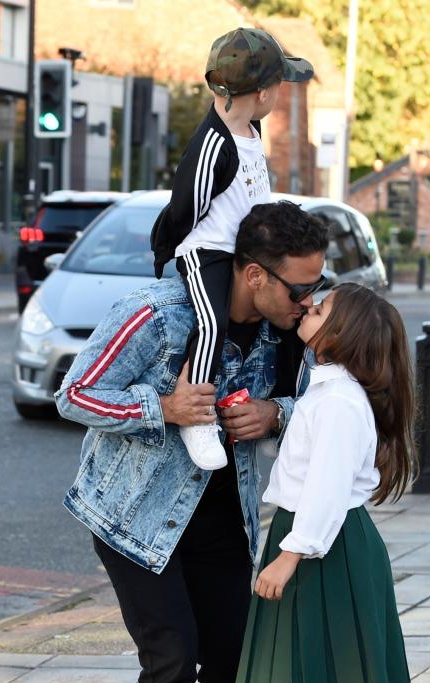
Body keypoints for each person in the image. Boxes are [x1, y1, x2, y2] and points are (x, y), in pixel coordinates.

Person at [55, 201, 329, 683]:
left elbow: (326, 406)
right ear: (253, 275)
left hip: (217, 520)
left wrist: (277, 414)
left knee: (234, 658)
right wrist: (163, 408)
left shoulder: (282, 334)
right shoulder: (159, 312)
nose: (308, 302)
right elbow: (76, 392)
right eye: (298, 289)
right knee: (172, 655)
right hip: (134, 518)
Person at [234, 283, 416, 683]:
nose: (307, 308)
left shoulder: (339, 400)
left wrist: (289, 554)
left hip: (321, 543)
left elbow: (328, 486)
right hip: (317, 538)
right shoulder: (329, 387)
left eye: (321, 308)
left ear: (347, 334)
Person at [150, 27, 313, 471]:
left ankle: (290, 400)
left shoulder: (250, 129)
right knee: (210, 325)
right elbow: (187, 205)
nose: (280, 93)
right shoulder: (214, 146)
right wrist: (168, 251)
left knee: (286, 321)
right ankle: (198, 417)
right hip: (209, 252)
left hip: (247, 250)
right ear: (262, 94)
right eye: (279, 84)